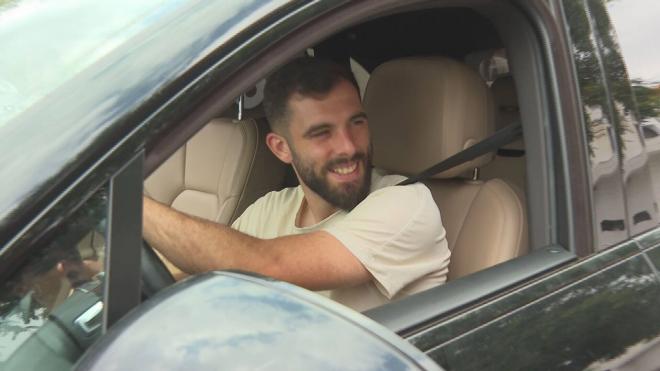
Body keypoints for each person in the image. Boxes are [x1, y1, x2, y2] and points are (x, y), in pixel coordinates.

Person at [143, 57, 450, 311]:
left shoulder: (405, 205)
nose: (348, 147)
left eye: (357, 122)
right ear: (281, 148)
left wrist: (133, 206)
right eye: (322, 133)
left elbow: (268, 264)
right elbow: (196, 268)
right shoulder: (270, 209)